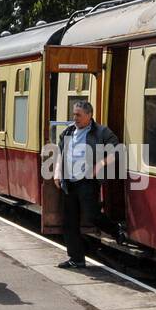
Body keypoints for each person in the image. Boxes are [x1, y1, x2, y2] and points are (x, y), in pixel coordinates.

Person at [53, 100, 126, 269]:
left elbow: (118, 150)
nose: (75, 118)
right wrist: (57, 174)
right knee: (69, 223)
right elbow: (60, 154)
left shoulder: (101, 131)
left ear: (89, 115)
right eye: (74, 114)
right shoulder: (67, 132)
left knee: (92, 215)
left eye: (78, 115)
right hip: (69, 183)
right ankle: (76, 259)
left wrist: (100, 164)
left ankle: (116, 230)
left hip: (87, 182)